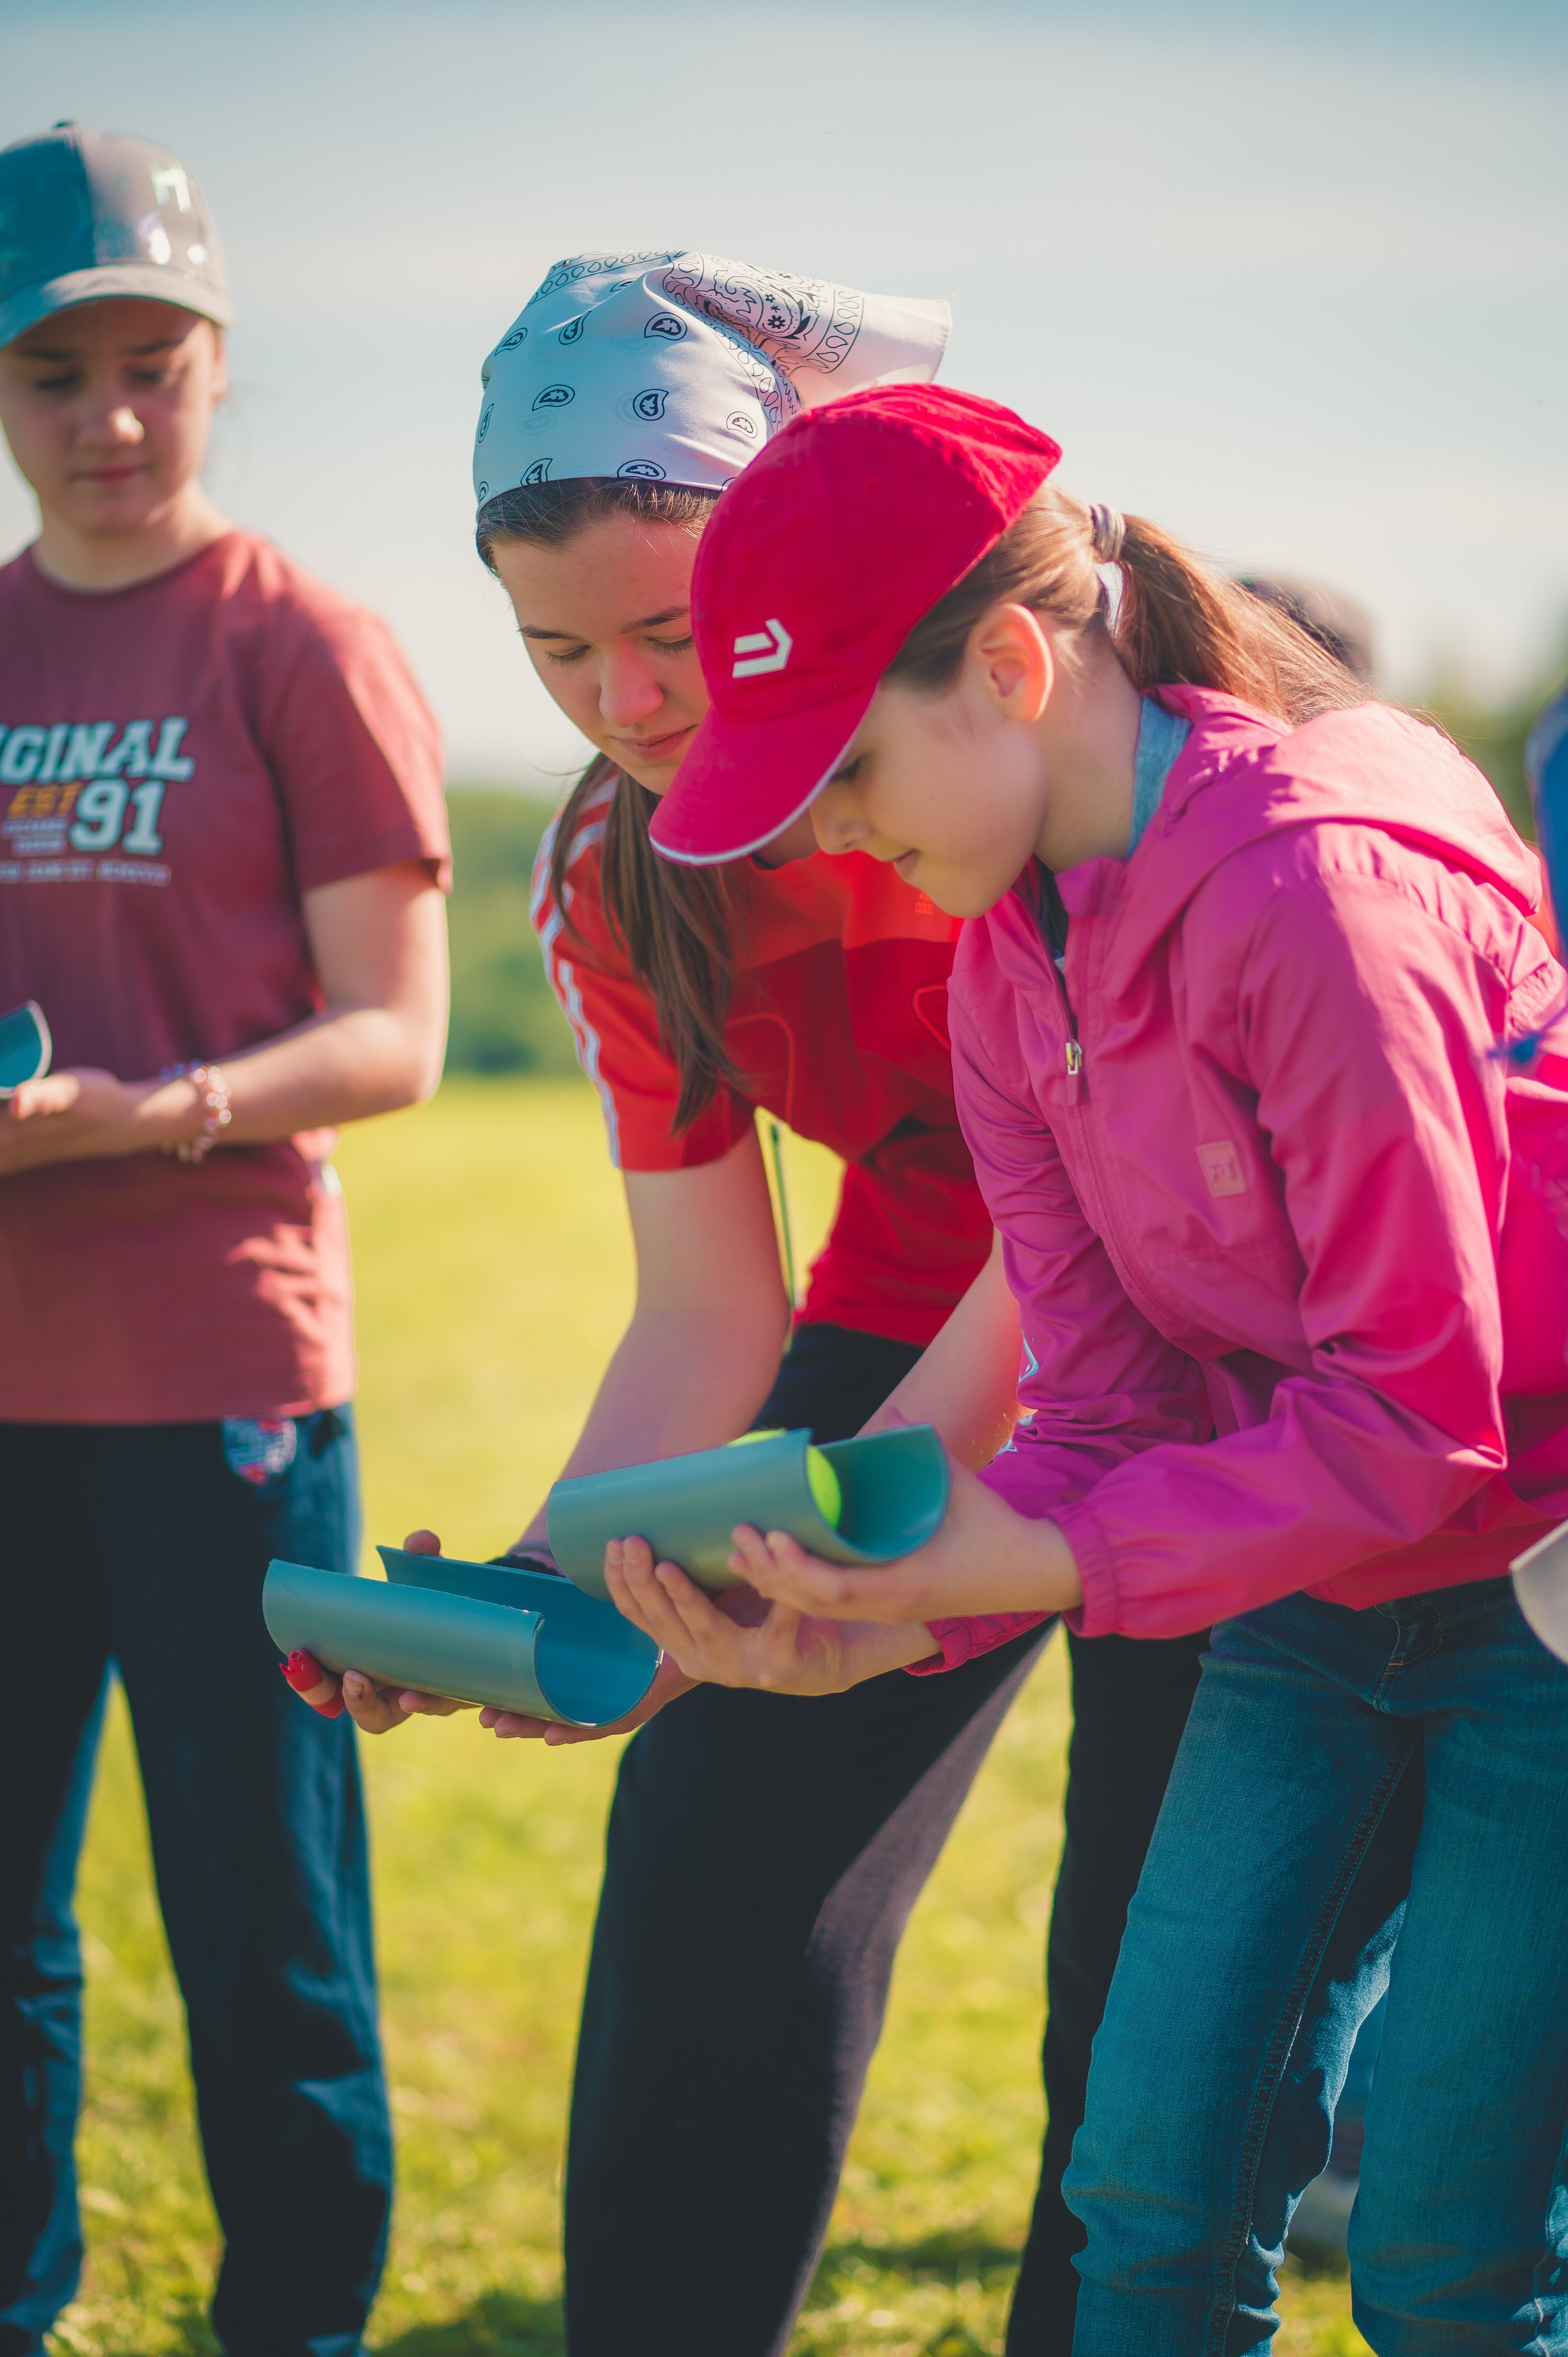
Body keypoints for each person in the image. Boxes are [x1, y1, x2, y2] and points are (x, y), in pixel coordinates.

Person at [293, 254, 1207, 2357]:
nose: (624, 704)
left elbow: (1071, 1249)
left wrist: (858, 1531)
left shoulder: (1019, 770)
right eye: (557, 652)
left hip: (1217, 1352)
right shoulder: (623, 873)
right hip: (917, 1334)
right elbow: (707, 1308)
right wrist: (561, 1579)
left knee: (1153, 1958)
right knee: (712, 1859)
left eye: (668, 630)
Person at [600, 382, 1568, 2352]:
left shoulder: (1317, 897)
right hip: (1308, 1609)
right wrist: (879, 1624)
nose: (843, 829)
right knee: (1144, 2201)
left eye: (853, 767)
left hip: (1537, 1613)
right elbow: (1114, 1406)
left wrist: (1015, 1567)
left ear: (1017, 664)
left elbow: (1418, 1415)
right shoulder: (1006, 960)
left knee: (1454, 2255)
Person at [0, 124, 450, 2357]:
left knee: (259, 1910)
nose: (103, 420)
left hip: (222, 1379)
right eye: (53, 369)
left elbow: (396, 1033)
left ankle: (301, 2322)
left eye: (148, 365)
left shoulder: (301, 642)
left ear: (214, 369)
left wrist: (141, 1117)